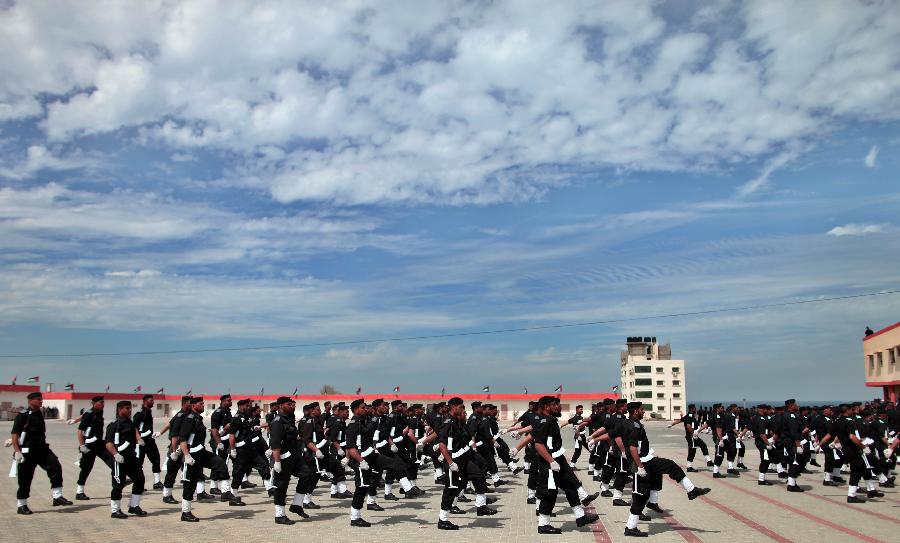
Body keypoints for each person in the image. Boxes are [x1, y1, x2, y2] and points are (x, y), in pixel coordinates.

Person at [623, 401, 710, 538]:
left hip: (648, 460)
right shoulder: (634, 426)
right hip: (642, 464)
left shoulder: (633, 423)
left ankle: (691, 490)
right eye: (641, 409)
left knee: (671, 466)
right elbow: (633, 448)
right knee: (640, 496)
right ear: (635, 411)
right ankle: (630, 528)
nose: (643, 411)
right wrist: (639, 467)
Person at [531, 396, 600, 534]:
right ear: (546, 407)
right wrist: (551, 461)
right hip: (549, 463)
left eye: (558, 404)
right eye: (555, 404)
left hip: (557, 460)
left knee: (570, 487)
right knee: (549, 493)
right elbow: (538, 444)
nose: (559, 407)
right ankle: (543, 525)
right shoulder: (544, 422)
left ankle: (580, 517)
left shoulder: (550, 420)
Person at [10, 391, 72, 514]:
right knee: (25, 478)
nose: (41, 401)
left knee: (55, 466)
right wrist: (17, 451)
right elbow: (15, 433)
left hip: (42, 449)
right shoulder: (23, 415)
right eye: (38, 399)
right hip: (27, 452)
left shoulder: (39, 413)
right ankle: (21, 505)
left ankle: (57, 497)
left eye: (41, 399)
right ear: (30, 401)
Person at [178, 396, 235, 521]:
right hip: (191, 455)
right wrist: (186, 455)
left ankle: (225, 492)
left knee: (220, 464)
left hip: (201, 452)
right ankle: (185, 513)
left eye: (203, 403)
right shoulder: (189, 419)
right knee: (190, 484)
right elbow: (182, 439)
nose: (203, 405)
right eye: (201, 403)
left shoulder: (198, 419)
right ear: (194, 406)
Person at [269, 396, 312, 524]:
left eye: (293, 404)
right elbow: (275, 443)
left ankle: (296, 505)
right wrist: (276, 462)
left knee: (307, 474)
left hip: (294, 456)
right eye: (289, 404)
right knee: (282, 486)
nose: (293, 406)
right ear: (281, 406)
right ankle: (279, 515)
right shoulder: (278, 421)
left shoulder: (289, 418)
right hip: (282, 458)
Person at [106, 400, 146, 518]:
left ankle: (134, 506)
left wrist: (139, 438)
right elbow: (108, 442)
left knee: (139, 480)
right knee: (118, 484)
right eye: (127, 408)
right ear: (120, 410)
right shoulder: (114, 425)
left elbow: (134, 430)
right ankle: (115, 510)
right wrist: (115, 454)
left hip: (132, 458)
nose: (130, 410)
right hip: (120, 460)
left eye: (130, 408)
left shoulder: (130, 423)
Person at [75, 396, 114, 499]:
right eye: (101, 402)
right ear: (94, 403)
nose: (103, 404)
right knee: (86, 468)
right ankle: (79, 492)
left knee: (111, 459)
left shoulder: (99, 412)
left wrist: (75, 419)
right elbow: (80, 431)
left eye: (103, 402)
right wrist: (82, 445)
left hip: (99, 443)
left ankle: (121, 479)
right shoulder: (89, 415)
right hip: (89, 445)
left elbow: (83, 415)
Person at [667, 404, 712, 472]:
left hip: (693, 436)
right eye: (695, 408)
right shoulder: (690, 416)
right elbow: (688, 426)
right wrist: (693, 433)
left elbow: (680, 420)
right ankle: (689, 467)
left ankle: (709, 461)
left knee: (703, 445)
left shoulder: (688, 415)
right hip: (691, 436)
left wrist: (671, 424)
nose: (696, 409)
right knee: (692, 451)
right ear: (692, 409)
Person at [133, 394, 163, 490]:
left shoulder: (148, 412)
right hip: (141, 442)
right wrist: (139, 439)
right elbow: (134, 427)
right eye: (151, 400)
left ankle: (157, 482)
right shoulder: (141, 414)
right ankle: (138, 484)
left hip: (149, 441)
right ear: (145, 401)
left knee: (156, 459)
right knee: (138, 463)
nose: (153, 402)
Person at [208, 394, 233, 496]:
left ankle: (221, 487)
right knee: (218, 463)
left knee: (223, 463)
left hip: (226, 441)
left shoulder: (227, 412)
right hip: (218, 441)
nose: (230, 402)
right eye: (228, 400)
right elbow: (214, 430)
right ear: (222, 402)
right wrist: (219, 443)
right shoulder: (217, 413)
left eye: (231, 400)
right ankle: (213, 487)